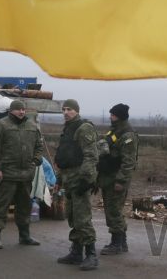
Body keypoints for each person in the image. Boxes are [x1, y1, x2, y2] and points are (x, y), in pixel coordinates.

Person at [0, 99, 44, 249]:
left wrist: (35, 162)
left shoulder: (32, 126)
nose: (21, 111)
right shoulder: (1, 125)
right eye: (18, 109)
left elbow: (39, 146)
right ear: (11, 110)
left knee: (25, 207)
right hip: (7, 174)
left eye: (23, 109)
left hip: (26, 174)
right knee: (1, 205)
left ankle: (24, 236)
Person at [54, 99, 99, 271]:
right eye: (64, 109)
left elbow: (91, 156)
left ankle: (91, 255)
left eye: (70, 109)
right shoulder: (67, 128)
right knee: (72, 216)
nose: (66, 112)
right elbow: (64, 158)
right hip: (68, 178)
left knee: (82, 218)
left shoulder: (84, 127)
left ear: (77, 111)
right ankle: (76, 252)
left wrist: (86, 180)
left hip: (80, 179)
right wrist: (59, 180)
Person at [96, 103, 138, 255]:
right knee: (113, 210)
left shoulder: (127, 135)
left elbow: (128, 162)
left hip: (116, 179)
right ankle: (122, 243)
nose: (110, 117)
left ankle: (117, 244)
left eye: (112, 115)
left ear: (119, 116)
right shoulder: (115, 131)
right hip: (108, 178)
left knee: (114, 211)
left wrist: (121, 181)